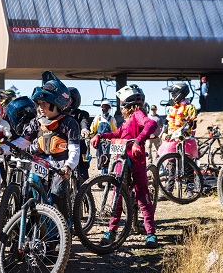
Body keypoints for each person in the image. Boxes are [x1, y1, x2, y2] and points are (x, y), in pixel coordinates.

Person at [90, 84, 158, 248]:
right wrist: (100, 135)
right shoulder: (127, 120)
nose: (120, 106)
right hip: (121, 154)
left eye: (121, 103)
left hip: (135, 157)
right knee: (117, 194)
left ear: (128, 103)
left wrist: (138, 141)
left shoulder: (138, 114)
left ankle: (150, 233)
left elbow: (151, 125)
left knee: (142, 194)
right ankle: (112, 231)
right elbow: (118, 134)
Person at [6, 74, 80, 220]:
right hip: (39, 163)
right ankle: (28, 229)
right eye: (39, 103)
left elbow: (74, 150)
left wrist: (68, 167)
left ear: (56, 104)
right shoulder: (36, 122)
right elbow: (22, 141)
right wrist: (1, 149)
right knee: (28, 192)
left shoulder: (69, 123)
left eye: (44, 103)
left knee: (57, 196)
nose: (40, 107)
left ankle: (62, 232)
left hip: (60, 167)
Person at [158, 82, 198, 199]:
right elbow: (166, 124)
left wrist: (187, 127)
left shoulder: (189, 107)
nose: (172, 96)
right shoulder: (171, 109)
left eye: (174, 94)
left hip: (185, 139)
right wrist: (164, 133)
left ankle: (190, 188)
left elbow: (193, 124)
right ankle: (168, 190)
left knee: (188, 165)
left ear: (180, 94)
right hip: (172, 139)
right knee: (171, 165)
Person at [68, 87, 91, 181]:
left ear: (75, 101)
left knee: (83, 172)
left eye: (69, 100)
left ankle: (85, 193)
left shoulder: (81, 114)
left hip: (79, 146)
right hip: (62, 148)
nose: (66, 102)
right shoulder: (59, 114)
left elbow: (84, 121)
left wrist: (84, 129)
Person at [90, 99, 117, 174]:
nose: (105, 109)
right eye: (103, 107)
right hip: (99, 142)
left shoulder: (112, 119)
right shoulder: (97, 118)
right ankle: (102, 174)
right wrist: (90, 136)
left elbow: (115, 131)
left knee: (107, 158)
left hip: (108, 142)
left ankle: (104, 174)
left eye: (107, 107)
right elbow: (93, 129)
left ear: (109, 108)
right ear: (101, 108)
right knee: (100, 158)